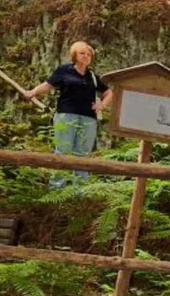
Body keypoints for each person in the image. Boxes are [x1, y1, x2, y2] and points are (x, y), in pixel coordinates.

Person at [28, 41, 109, 187]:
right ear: (74, 55)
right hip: (66, 115)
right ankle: (57, 187)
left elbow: (109, 93)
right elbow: (48, 85)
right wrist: (33, 92)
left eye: (89, 54)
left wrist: (101, 105)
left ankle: (79, 189)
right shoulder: (64, 70)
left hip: (88, 118)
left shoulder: (92, 76)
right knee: (63, 150)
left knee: (83, 153)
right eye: (82, 53)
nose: (86, 56)